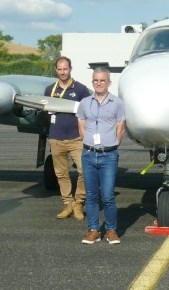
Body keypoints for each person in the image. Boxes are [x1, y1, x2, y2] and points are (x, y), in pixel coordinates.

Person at [76, 67, 125, 244]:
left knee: (108, 195)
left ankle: (111, 230)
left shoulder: (117, 103)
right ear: (92, 82)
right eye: (96, 80)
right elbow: (81, 122)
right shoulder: (84, 103)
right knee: (91, 195)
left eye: (102, 80)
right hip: (88, 154)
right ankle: (94, 230)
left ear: (109, 82)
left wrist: (112, 143)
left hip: (108, 155)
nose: (99, 83)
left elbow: (121, 125)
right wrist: (87, 140)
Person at [44, 56, 91, 220]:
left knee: (84, 171)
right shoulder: (49, 89)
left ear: (70, 69)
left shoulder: (81, 89)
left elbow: (88, 110)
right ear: (56, 70)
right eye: (60, 69)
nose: (63, 72)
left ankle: (79, 202)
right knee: (61, 174)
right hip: (56, 138)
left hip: (76, 138)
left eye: (65, 69)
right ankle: (67, 204)